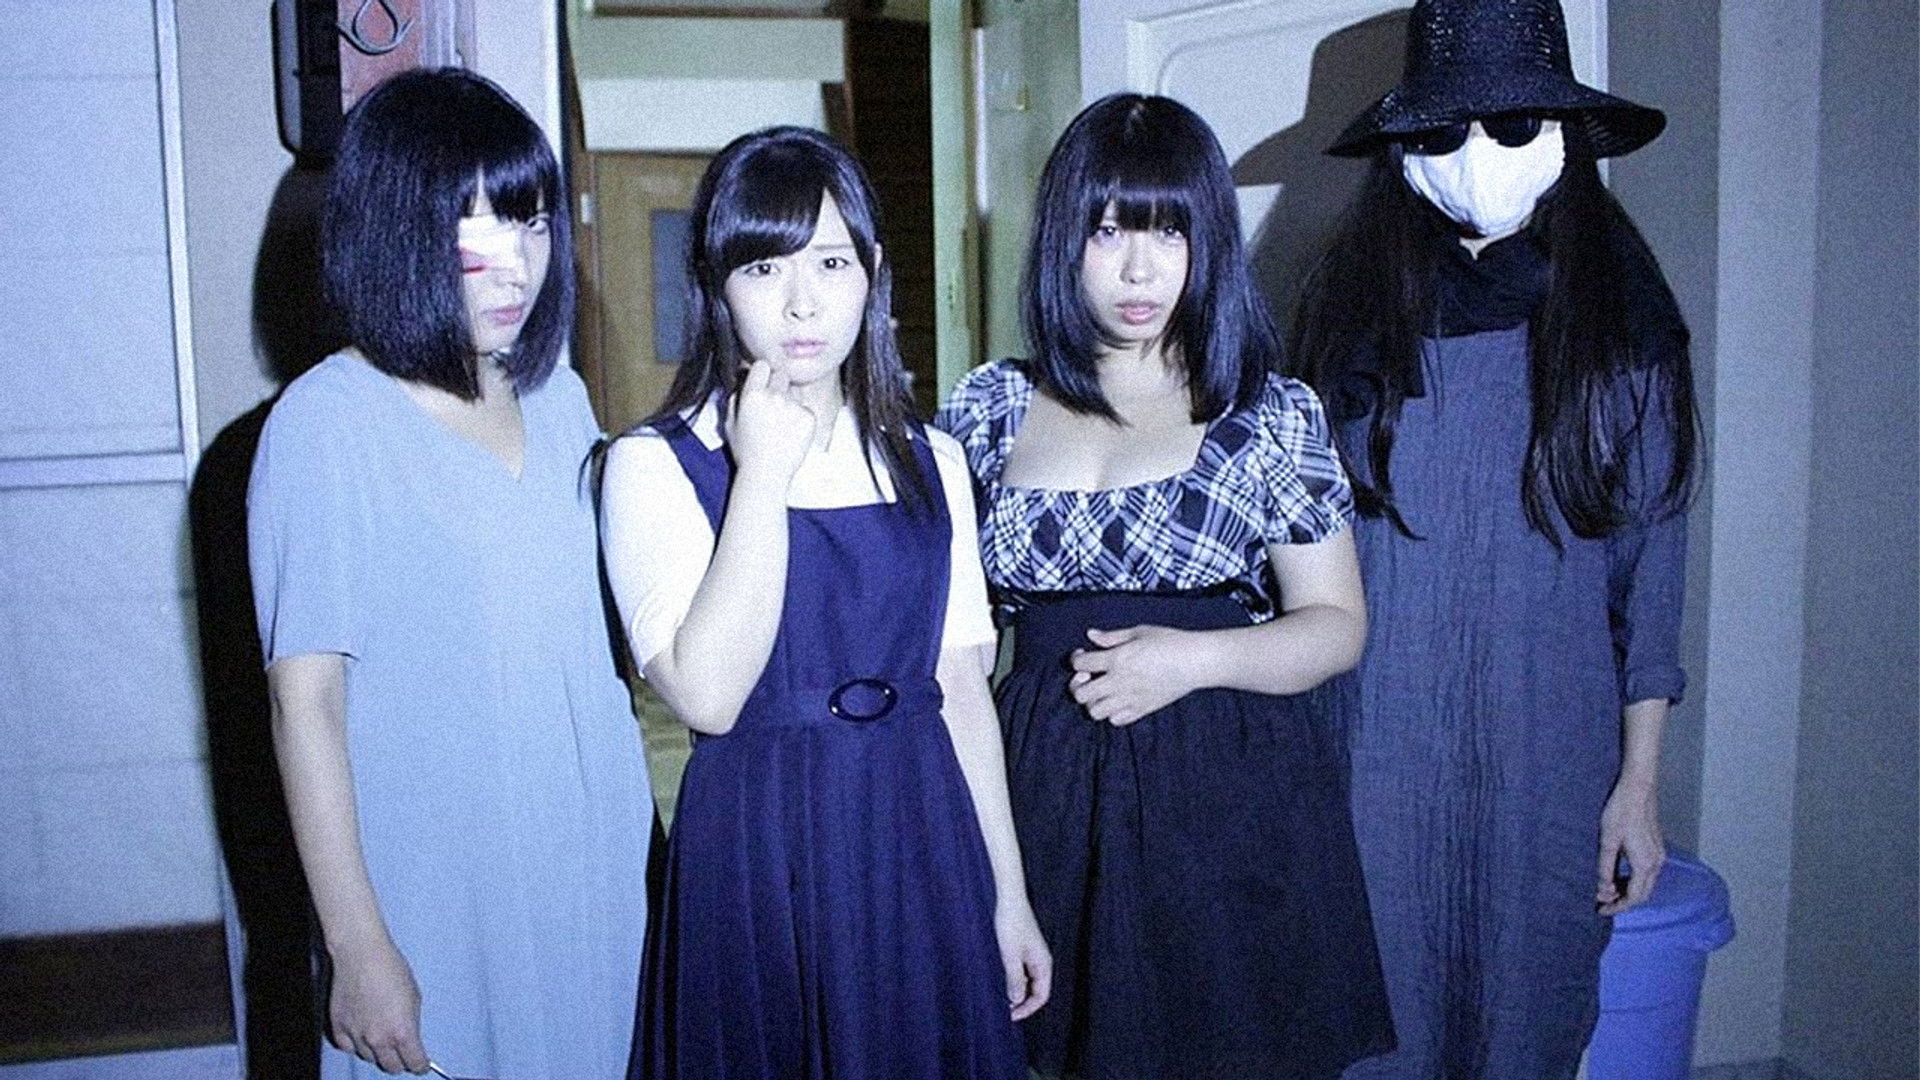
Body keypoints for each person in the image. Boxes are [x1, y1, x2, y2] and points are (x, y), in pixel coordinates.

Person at [936, 92, 1394, 1080]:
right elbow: (952, 650)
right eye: (1108, 232)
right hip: (1045, 792)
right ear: (1063, 240)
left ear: (1207, 243)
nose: (1140, 270)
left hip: (1225, 793)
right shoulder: (987, 408)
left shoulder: (1269, 411)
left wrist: (1192, 661)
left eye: (1168, 232)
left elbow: (1336, 625)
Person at [1289, 1, 1699, 1077]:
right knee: (1369, 1028)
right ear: (1401, 153)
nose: (1479, 154)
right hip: (1372, 753)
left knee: (1528, 1019)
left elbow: (1650, 581)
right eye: (1444, 131)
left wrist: (1640, 787)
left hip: (1550, 757)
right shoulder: (1344, 317)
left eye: (1513, 125)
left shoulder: (1623, 326)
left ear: (1565, 137)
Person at [599, 125, 1048, 1080]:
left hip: (919, 829)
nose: (803, 303)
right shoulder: (651, 464)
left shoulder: (934, 461)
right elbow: (708, 696)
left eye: (832, 263)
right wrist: (762, 475)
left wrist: (1007, 893)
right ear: (716, 284)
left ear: (872, 274)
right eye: (764, 268)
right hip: (758, 846)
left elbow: (963, 692)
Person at [247, 68, 652, 1078]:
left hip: (588, 863)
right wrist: (356, 946)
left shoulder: (558, 398)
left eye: (531, 223)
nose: (515, 267)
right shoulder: (325, 424)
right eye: (476, 231)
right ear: (397, 234)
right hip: (434, 888)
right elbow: (306, 706)